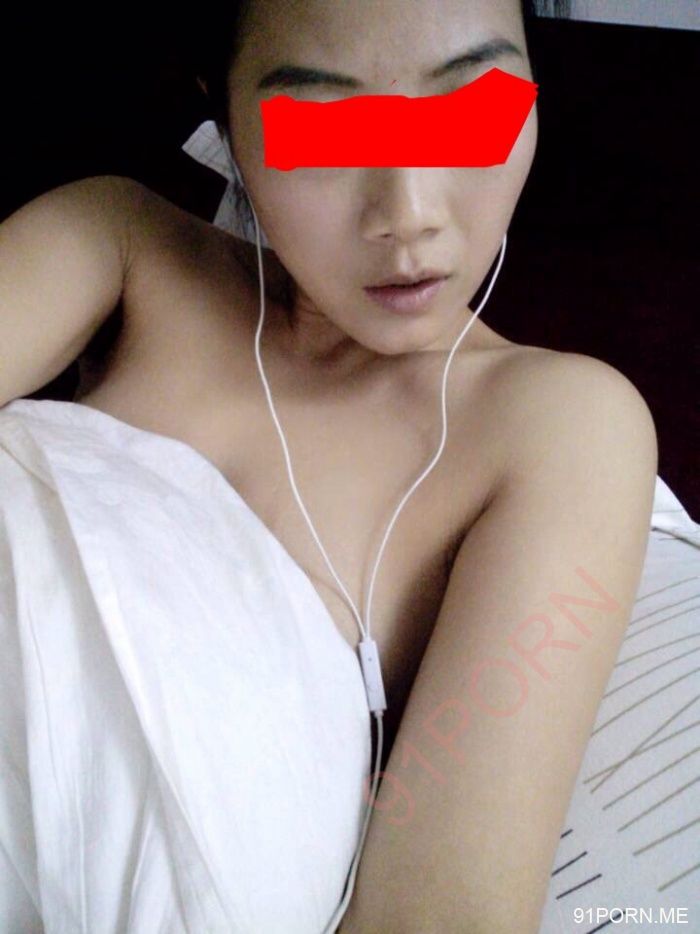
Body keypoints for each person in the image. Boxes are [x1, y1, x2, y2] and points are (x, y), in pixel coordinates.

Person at [0, 1, 697, 932]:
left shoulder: (559, 427)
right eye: (325, 130)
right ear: (226, 121)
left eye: (471, 112)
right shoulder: (119, 246)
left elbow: (438, 916)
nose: (408, 215)